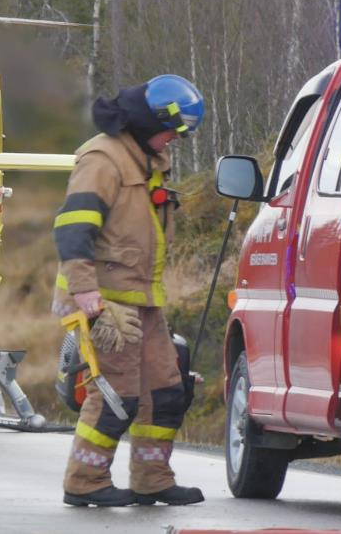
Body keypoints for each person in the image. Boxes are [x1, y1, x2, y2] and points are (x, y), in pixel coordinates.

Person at [53, 74, 206, 508]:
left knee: (166, 392)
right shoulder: (103, 159)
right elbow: (73, 230)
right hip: (104, 300)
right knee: (119, 396)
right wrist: (86, 296)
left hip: (141, 300)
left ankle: (152, 478)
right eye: (173, 131)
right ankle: (84, 480)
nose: (175, 140)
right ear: (147, 121)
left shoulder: (144, 159)